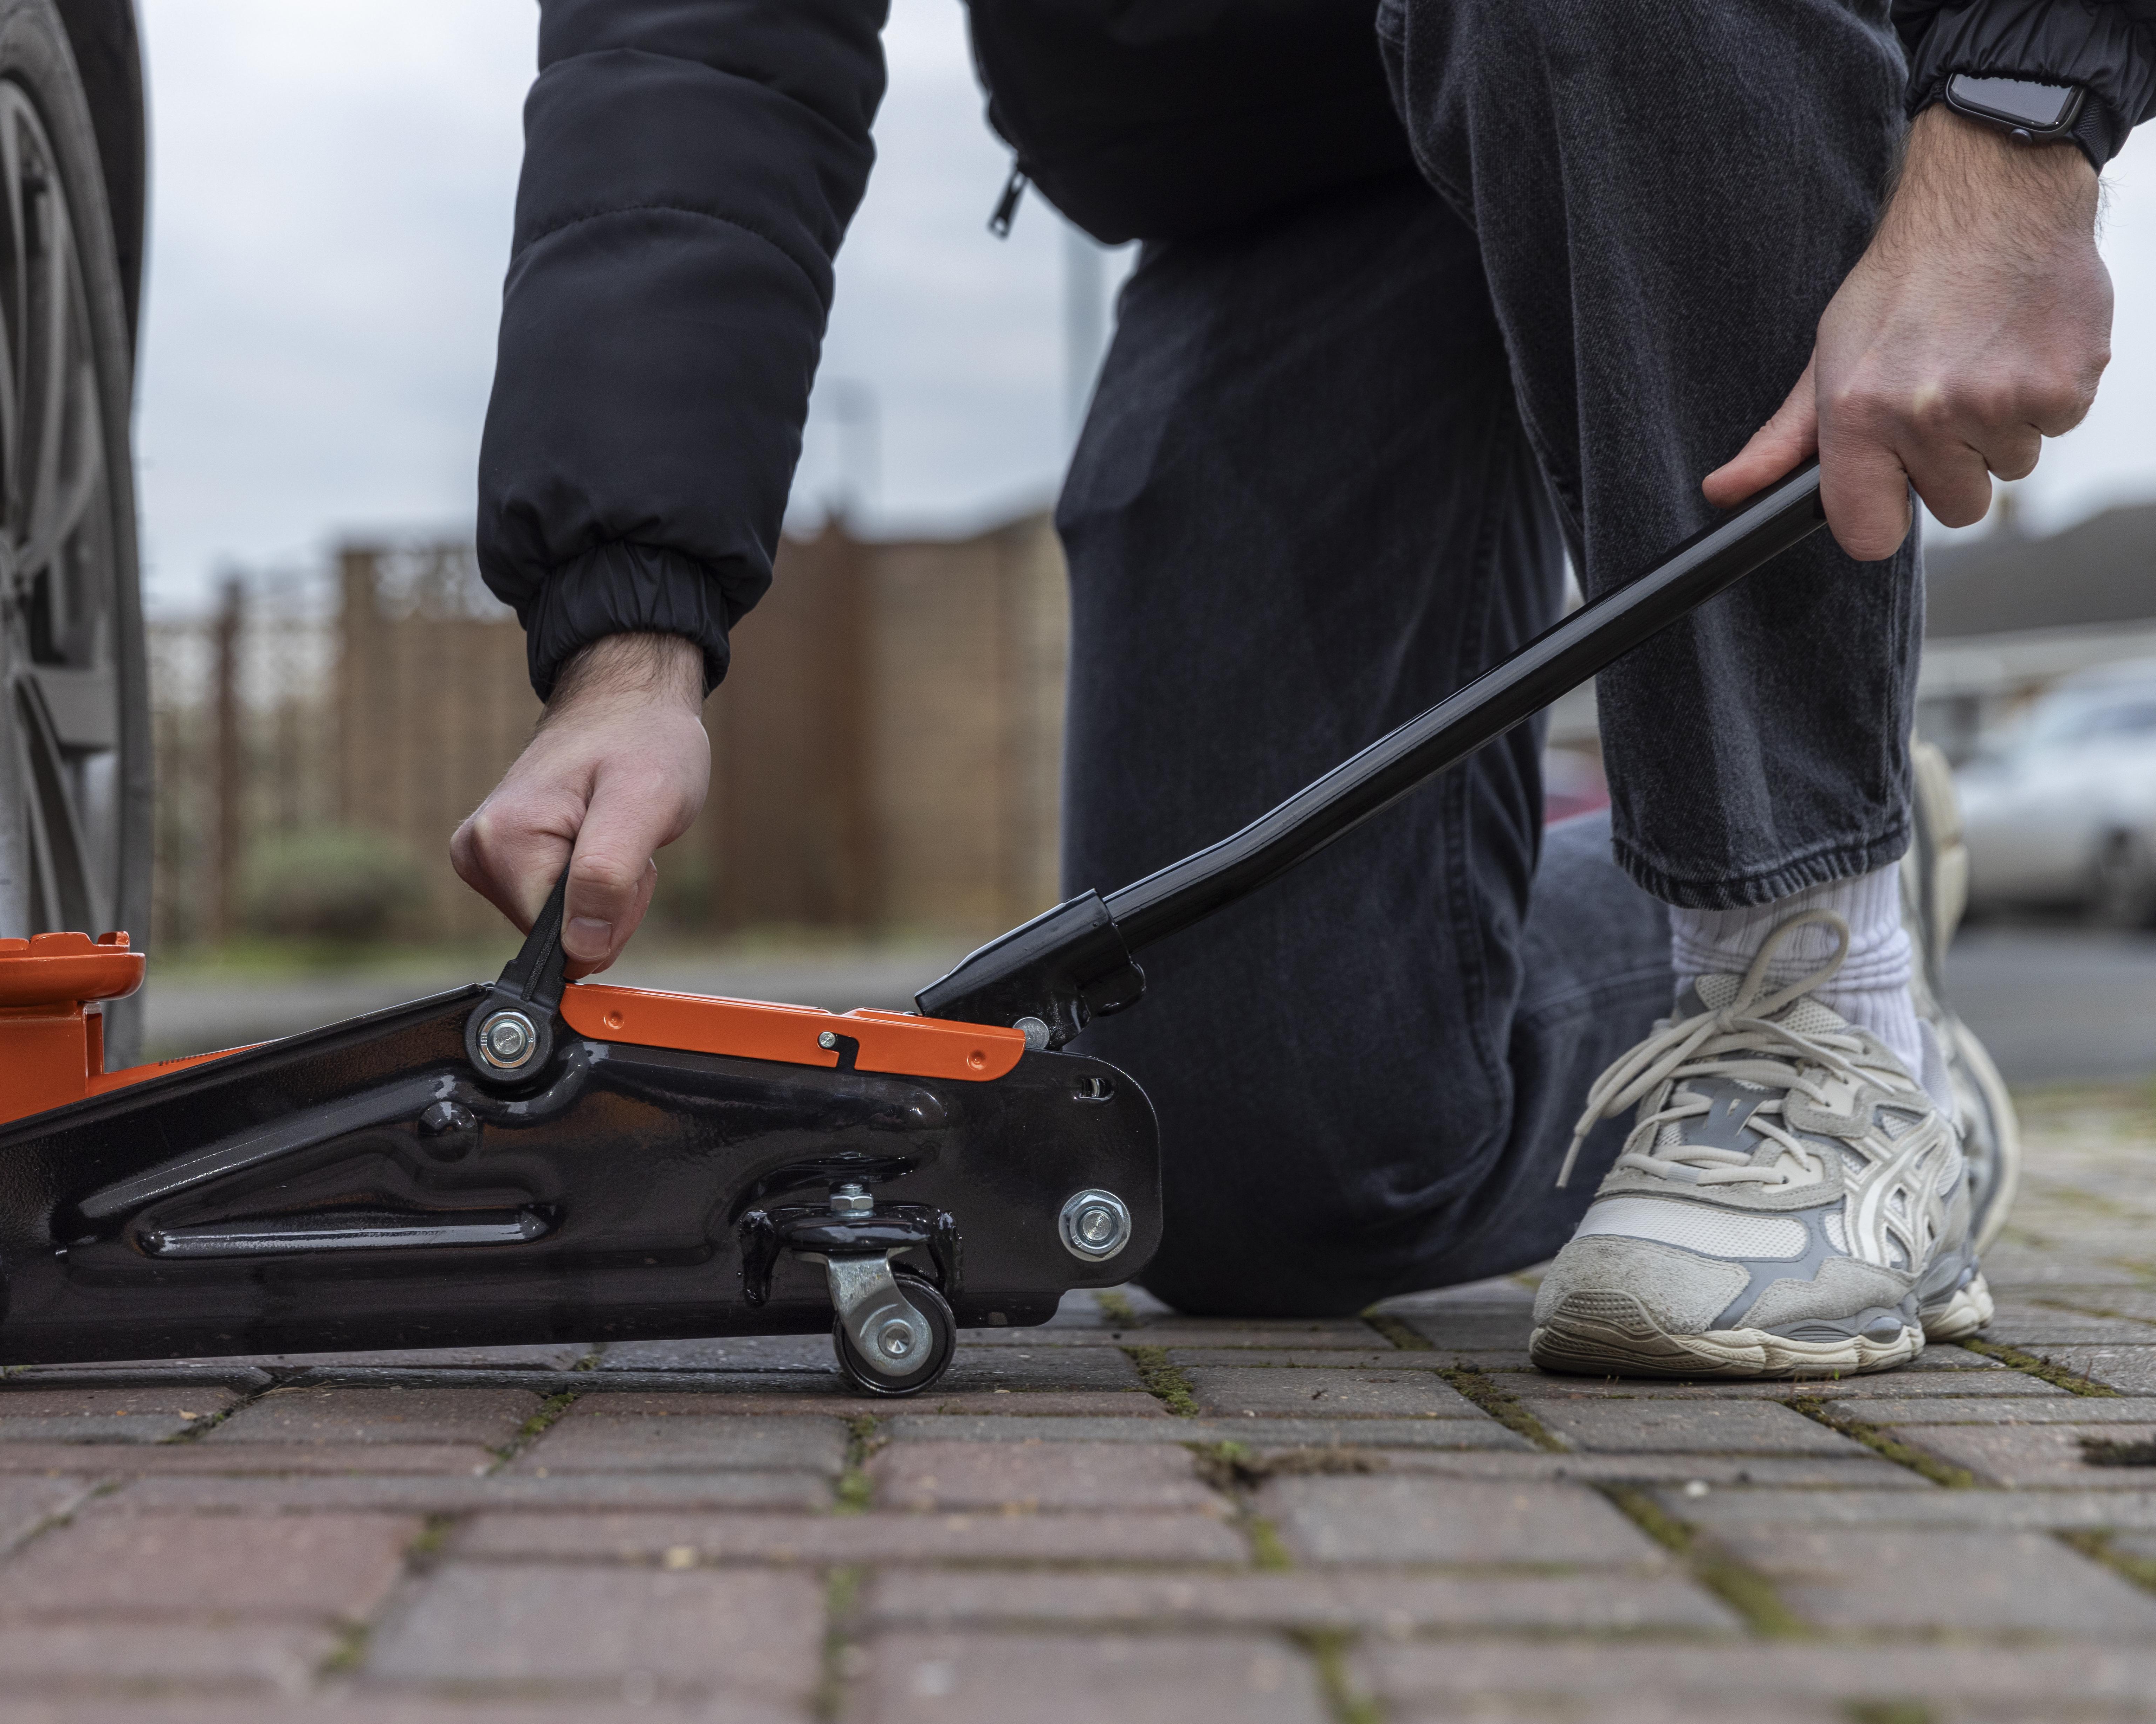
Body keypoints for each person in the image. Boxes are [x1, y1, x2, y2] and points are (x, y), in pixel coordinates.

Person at [452, 0, 2142, 1376]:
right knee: (1247, 1173)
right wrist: (630, 638)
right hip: (1278, 144)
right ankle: (1869, 914)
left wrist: (2021, 109)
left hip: (1687, 62)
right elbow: (699, 49)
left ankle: (1820, 1001)